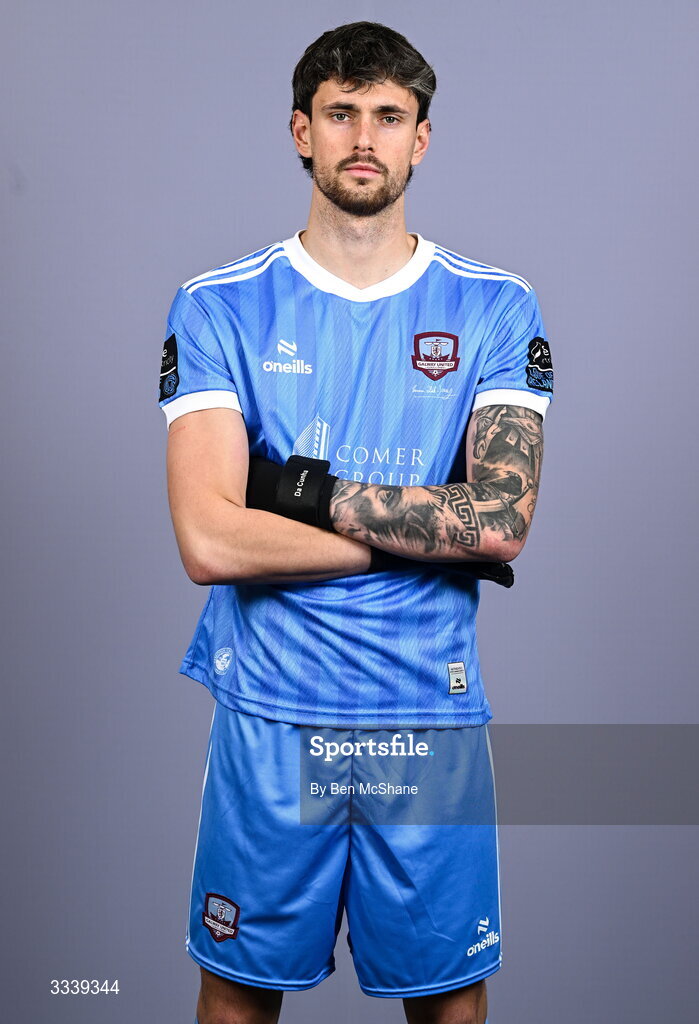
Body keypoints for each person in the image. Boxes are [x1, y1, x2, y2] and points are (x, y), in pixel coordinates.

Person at [159, 21, 553, 1024]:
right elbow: (208, 541)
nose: (363, 135)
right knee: (236, 997)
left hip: (426, 715)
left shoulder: (497, 307)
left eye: (388, 115)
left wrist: (293, 491)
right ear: (302, 130)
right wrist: (423, 527)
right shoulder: (218, 307)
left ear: (423, 138)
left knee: (450, 1004)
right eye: (341, 113)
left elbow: (500, 520)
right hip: (272, 715)